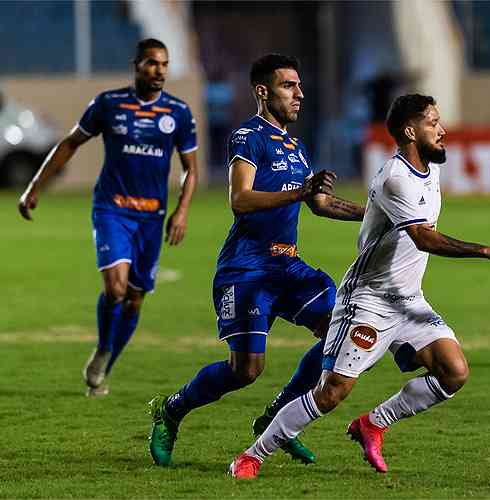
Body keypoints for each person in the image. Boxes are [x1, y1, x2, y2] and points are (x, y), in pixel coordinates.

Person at [231, 93, 490, 479]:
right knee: (331, 392)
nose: (442, 129)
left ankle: (373, 423)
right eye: (432, 122)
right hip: (367, 301)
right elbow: (423, 238)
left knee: (453, 371)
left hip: (408, 300)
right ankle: (252, 455)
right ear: (409, 131)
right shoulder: (395, 179)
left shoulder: (429, 169)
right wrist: (487, 250)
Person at [147, 54, 365, 467]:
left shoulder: (295, 146)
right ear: (263, 91)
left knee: (338, 337)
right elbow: (240, 200)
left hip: (288, 267)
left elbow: (318, 203)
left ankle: (276, 418)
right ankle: (171, 410)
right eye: (289, 86)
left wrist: (373, 212)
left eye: (300, 86)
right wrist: (298, 193)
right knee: (246, 370)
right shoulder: (247, 137)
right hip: (246, 269)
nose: (299, 94)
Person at [17, 38, 199, 396]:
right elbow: (70, 143)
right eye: (151, 63)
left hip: (151, 217)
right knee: (115, 288)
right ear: (136, 65)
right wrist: (34, 187)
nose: (158, 70)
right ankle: (103, 345)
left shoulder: (178, 112)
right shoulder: (108, 104)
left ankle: (106, 362)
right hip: (112, 208)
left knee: (134, 298)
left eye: (164, 64)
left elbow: (189, 169)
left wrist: (182, 210)